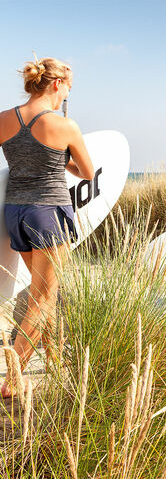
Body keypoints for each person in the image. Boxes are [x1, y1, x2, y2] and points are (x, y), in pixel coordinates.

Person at [0, 56, 94, 397]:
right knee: (42, 298)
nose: (68, 94)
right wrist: (59, 158)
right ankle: (12, 379)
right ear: (56, 84)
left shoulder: (4, 119)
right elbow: (87, 172)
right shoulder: (65, 126)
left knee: (46, 292)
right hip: (48, 213)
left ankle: (54, 356)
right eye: (69, 87)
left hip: (15, 212)